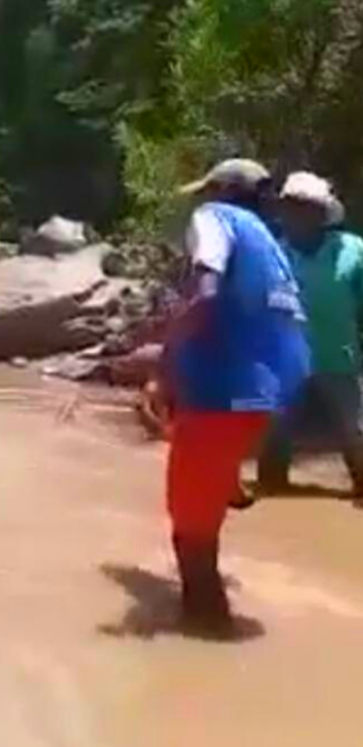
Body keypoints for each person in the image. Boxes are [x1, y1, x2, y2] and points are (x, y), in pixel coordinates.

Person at [162, 159, 310, 636]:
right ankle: (226, 485)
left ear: (222, 191)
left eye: (207, 191)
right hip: (266, 397)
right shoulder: (271, 244)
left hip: (220, 394)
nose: (200, 201)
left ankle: (203, 639)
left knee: (190, 531)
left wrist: (164, 355)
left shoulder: (215, 220)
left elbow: (206, 296)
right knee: (205, 504)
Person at [256, 172, 363, 498]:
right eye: (289, 207)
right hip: (285, 360)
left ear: (321, 213)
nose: (294, 214)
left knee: (356, 433)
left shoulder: (353, 252)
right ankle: (272, 493)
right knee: (273, 435)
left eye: (303, 207)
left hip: (338, 355)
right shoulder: (272, 253)